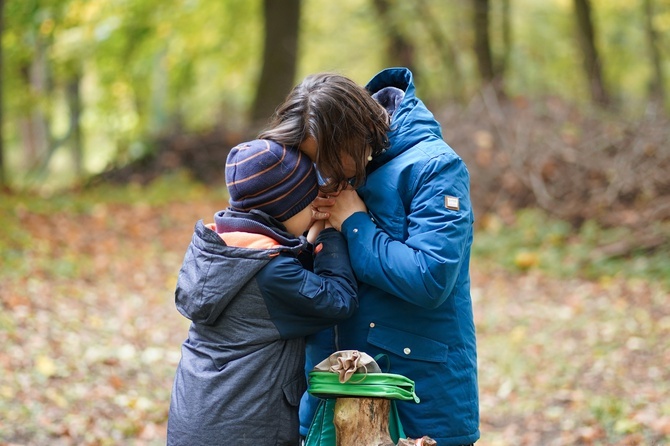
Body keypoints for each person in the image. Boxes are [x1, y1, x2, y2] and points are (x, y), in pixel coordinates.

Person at [259, 68, 479, 445]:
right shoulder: (321, 168)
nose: (321, 171)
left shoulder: (434, 167)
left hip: (415, 399)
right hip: (326, 397)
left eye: (327, 159)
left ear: (358, 133)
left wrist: (355, 223)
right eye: (313, 160)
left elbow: (430, 278)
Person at [167, 139, 358, 446]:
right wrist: (328, 235)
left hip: (195, 419)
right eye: (309, 202)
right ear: (283, 208)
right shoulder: (271, 272)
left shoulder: (222, 250)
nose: (315, 209)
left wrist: (305, 245)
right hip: (246, 432)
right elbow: (338, 300)